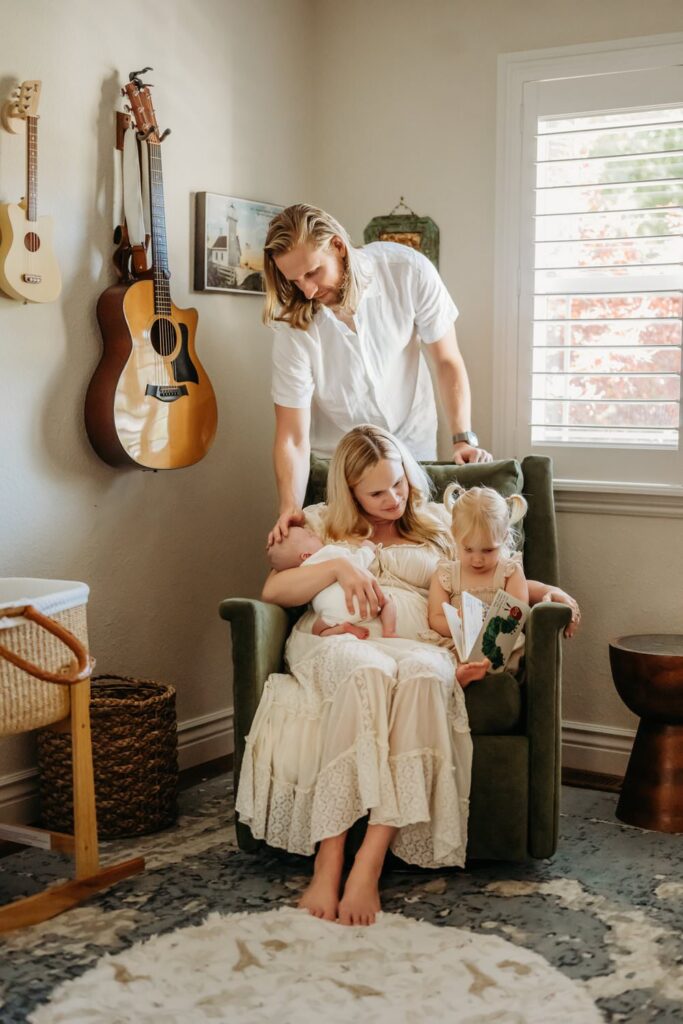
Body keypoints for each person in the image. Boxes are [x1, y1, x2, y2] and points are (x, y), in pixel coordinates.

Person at [236, 424, 580, 928]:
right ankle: (329, 860)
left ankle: (369, 862)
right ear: (349, 491)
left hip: (424, 642)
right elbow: (274, 591)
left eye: (398, 483)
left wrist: (551, 592)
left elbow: (491, 570)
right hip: (344, 639)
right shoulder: (323, 523)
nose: (393, 498)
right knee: (366, 672)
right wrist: (338, 571)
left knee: (426, 680)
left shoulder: (438, 522)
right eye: (377, 492)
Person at [262, 204, 492, 546]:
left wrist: (462, 437)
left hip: (411, 446)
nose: (306, 290)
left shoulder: (407, 271)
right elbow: (293, 436)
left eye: (312, 273)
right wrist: (290, 506)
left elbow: (446, 361)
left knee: (420, 555)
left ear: (338, 246)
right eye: (293, 280)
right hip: (339, 464)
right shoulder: (292, 322)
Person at [427, 484, 530, 685]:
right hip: (458, 643)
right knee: (438, 657)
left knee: (507, 648)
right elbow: (435, 618)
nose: (477, 560)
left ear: (504, 538)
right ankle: (460, 674)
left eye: (488, 550)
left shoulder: (510, 572)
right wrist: (458, 621)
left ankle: (478, 672)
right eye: (468, 549)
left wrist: (488, 622)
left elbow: (516, 616)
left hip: (496, 643)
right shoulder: (445, 574)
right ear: (454, 537)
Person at [266, 526, 399, 639]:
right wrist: (368, 549)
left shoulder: (301, 574)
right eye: (310, 535)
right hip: (368, 601)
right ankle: (389, 631)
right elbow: (356, 563)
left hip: (331, 614)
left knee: (317, 631)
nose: (316, 534)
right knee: (388, 602)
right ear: (305, 555)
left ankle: (343, 628)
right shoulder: (329, 552)